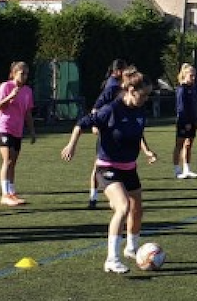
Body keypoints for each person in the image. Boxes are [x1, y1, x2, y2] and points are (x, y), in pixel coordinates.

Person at [61, 67, 158, 274]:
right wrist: (72, 145)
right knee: (122, 207)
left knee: (137, 210)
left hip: (129, 168)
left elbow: (138, 133)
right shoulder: (111, 109)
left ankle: (131, 249)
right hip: (107, 167)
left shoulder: (140, 110)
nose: (146, 99)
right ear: (131, 90)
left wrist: (147, 151)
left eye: (148, 95)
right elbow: (82, 123)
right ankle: (111, 259)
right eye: (143, 94)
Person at [0, 61, 36, 207]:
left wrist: (32, 130)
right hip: (4, 127)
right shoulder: (5, 86)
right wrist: (10, 96)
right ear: (14, 73)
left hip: (17, 130)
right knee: (8, 160)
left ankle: (11, 193)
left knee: (13, 162)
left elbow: (28, 112)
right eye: (21, 73)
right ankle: (4, 194)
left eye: (26, 74)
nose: (24, 76)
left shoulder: (27, 91)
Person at [87, 58, 127, 208]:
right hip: (108, 129)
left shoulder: (118, 85)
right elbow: (96, 106)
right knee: (100, 164)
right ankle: (94, 197)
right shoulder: (112, 87)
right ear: (117, 71)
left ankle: (99, 196)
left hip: (116, 129)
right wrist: (95, 124)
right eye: (124, 70)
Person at [173, 63, 197, 179]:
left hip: (192, 121)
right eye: (191, 75)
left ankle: (187, 169)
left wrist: (194, 121)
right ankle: (177, 170)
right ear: (184, 75)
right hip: (183, 122)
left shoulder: (192, 89)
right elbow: (181, 108)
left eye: (194, 76)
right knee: (179, 144)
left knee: (188, 145)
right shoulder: (181, 89)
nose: (193, 78)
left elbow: (193, 107)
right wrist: (186, 122)